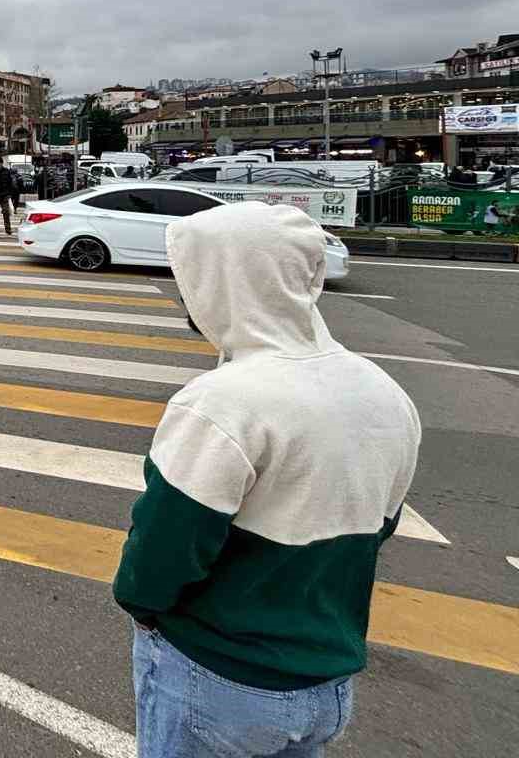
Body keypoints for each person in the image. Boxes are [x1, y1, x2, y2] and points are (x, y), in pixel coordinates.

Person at [114, 202, 420, 757]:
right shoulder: (384, 391)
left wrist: (144, 608)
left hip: (220, 676)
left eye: (190, 277)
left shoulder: (223, 402)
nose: (184, 294)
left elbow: (163, 552)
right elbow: (380, 527)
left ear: (224, 281)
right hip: (326, 682)